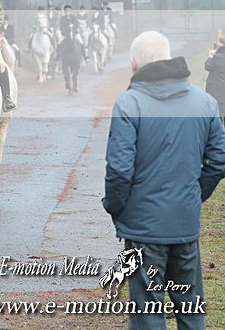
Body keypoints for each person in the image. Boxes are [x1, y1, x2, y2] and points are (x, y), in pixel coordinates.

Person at [103, 30, 225, 330]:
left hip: (143, 230)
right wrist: (193, 196)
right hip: (184, 224)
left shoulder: (128, 104)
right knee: (191, 310)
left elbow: (119, 171)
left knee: (147, 312)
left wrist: (116, 208)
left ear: (134, 64)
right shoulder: (205, 103)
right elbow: (219, 159)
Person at [205, 36, 225, 125]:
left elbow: (207, 66)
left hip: (217, 92)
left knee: (218, 119)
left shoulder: (217, 57)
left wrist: (210, 56)